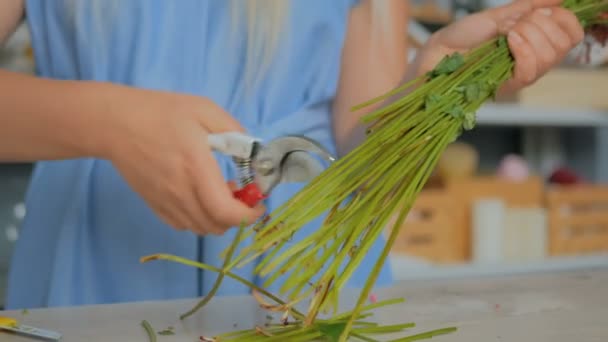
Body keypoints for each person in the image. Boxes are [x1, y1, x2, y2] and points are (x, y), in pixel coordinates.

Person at [0, 0, 583, 309]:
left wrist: (438, 79)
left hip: (307, 278)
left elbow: (362, 162)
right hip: (93, 268)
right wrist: (112, 123)